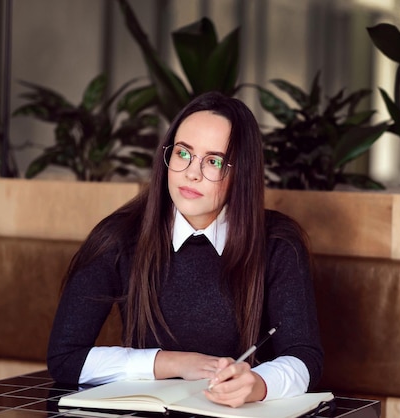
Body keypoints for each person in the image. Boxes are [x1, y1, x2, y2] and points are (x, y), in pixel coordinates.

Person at [47, 91, 324, 408]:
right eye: (183, 153)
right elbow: (65, 356)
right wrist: (177, 363)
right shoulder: (118, 237)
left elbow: (305, 357)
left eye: (214, 161)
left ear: (241, 174)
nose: (192, 172)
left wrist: (259, 384)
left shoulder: (278, 243)